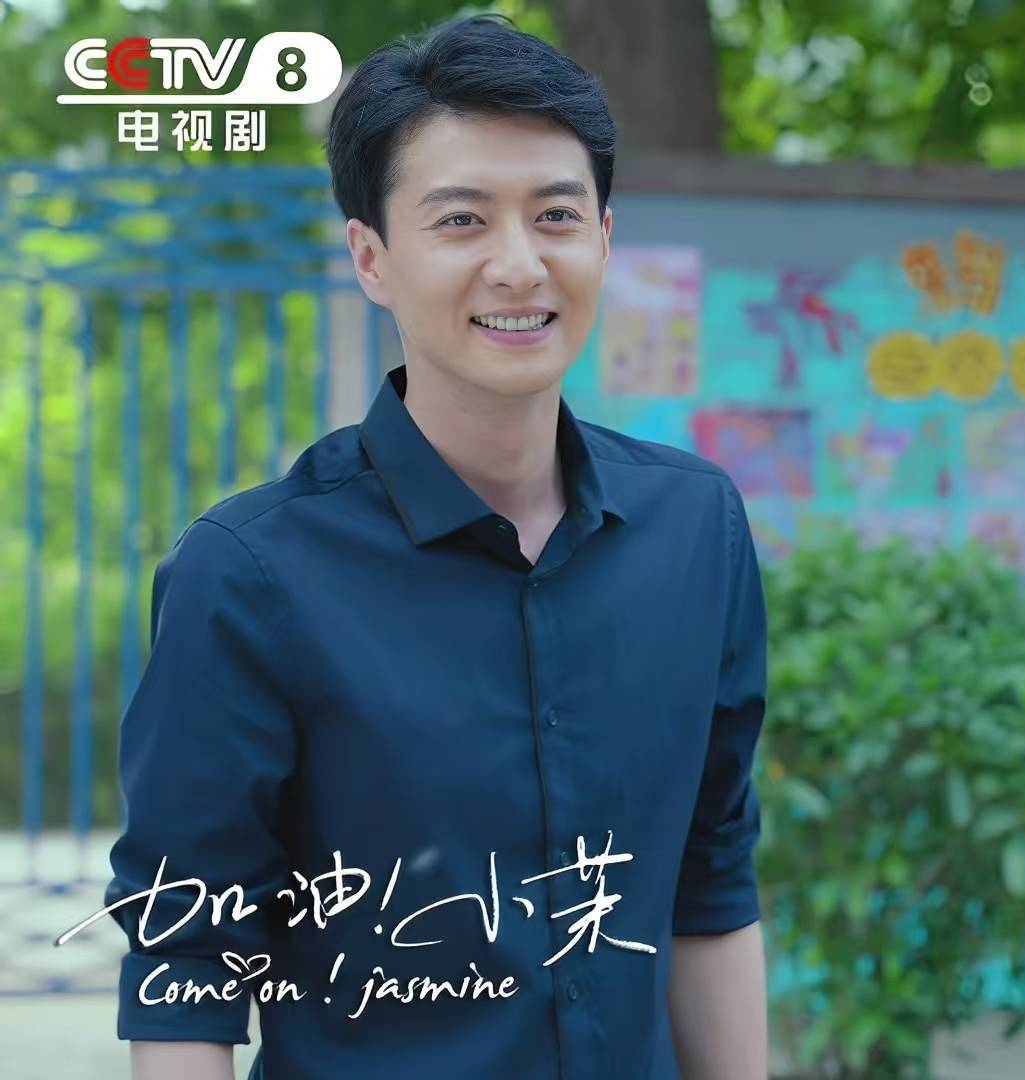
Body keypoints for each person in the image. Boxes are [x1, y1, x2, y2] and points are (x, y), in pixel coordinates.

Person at [104, 15, 768, 1079]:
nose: (519, 265)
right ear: (370, 257)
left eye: (556, 215)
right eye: (461, 220)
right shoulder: (252, 573)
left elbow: (710, 875)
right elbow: (187, 956)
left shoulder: (696, 528)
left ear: (604, 236)